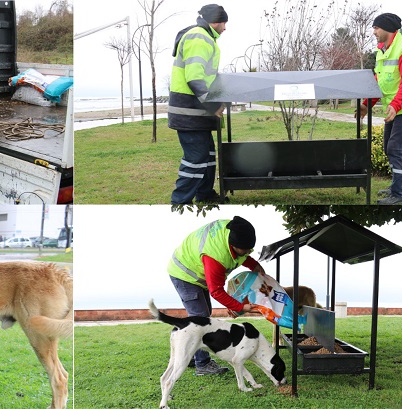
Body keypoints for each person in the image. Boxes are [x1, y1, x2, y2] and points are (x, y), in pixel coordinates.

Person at [166, 216, 266, 375]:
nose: (247, 252)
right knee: (200, 318)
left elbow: (241, 256)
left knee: (204, 314)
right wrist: (240, 307)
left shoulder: (234, 230)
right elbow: (217, 291)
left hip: (198, 270)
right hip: (184, 274)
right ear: (233, 245)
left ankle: (188, 352)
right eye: (245, 250)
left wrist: (254, 265)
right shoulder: (216, 256)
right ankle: (202, 364)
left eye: (249, 249)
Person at [356, 13, 402, 205]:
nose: (374, 32)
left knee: (397, 149)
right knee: (389, 147)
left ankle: (400, 195)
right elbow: (381, 82)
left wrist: (396, 105)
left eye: (376, 28)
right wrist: (366, 105)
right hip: (394, 108)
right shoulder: (383, 51)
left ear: (387, 28)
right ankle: (396, 187)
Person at [168, 4, 229, 205]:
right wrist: (212, 106)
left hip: (195, 112)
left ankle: (205, 194)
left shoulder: (203, 37)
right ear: (216, 21)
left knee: (208, 155)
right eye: (224, 23)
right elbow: (194, 78)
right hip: (189, 111)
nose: (225, 28)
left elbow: (206, 76)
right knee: (196, 159)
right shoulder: (199, 37)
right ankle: (180, 202)